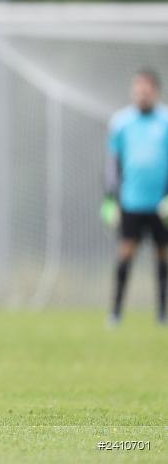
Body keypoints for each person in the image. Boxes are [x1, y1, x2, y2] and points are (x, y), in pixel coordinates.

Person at [104, 69, 168, 326]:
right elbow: (113, 163)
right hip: (131, 201)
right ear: (134, 91)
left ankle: (162, 314)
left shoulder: (165, 121)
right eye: (139, 88)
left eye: (147, 88)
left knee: (163, 256)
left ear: (156, 91)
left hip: (161, 204)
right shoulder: (121, 122)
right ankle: (116, 313)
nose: (143, 92)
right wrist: (110, 198)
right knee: (125, 254)